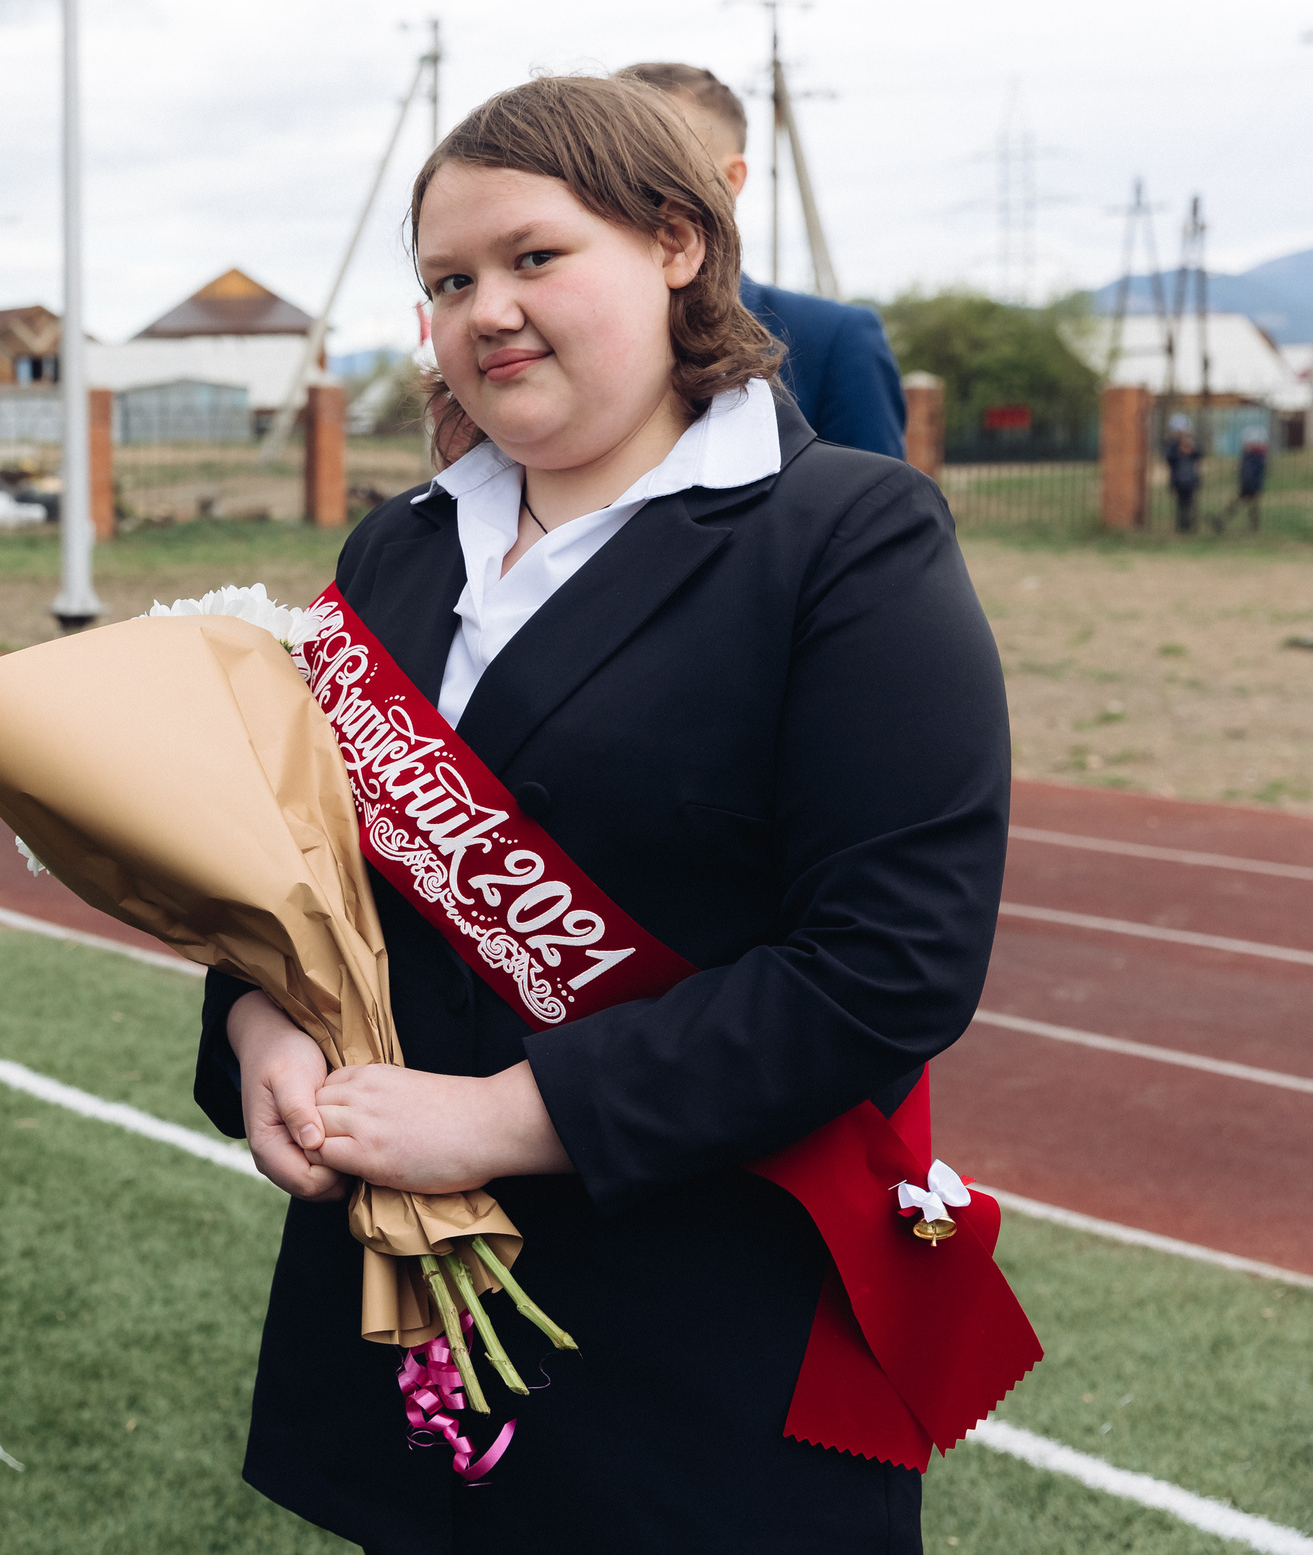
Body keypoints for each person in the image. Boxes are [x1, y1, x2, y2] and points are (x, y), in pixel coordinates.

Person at [195, 75, 1008, 1552]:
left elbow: (890, 965)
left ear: (678, 243)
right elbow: (303, 866)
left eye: (532, 256)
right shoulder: (398, 542)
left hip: (704, 1317)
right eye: (448, 280)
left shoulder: (846, 537)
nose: (483, 308)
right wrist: (258, 1026)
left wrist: (503, 1117)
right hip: (403, 1294)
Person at [619, 61, 910, 460]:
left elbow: (879, 510)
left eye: (658, 158)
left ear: (729, 180)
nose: (621, 181)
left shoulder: (832, 340)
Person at [1214, 434, 1269, 533]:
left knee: (1250, 507)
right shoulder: (1250, 456)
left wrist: (1256, 487)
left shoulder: (1255, 457)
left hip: (1251, 485)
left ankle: (1222, 520)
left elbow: (1255, 473)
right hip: (1248, 485)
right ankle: (1222, 520)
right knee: (1244, 505)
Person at [1166, 419, 1205, 533]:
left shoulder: (1192, 443)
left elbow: (1199, 454)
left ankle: (1191, 527)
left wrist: (1191, 448)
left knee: (1192, 503)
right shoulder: (1172, 445)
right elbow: (1169, 459)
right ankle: (1181, 526)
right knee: (1181, 504)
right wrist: (1179, 450)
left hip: (1191, 479)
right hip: (1178, 479)